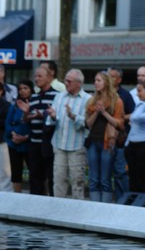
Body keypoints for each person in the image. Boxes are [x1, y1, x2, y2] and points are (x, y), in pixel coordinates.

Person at [46, 69, 91, 199]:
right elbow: (51, 121)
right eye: (65, 80)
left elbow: (88, 123)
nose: (66, 83)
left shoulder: (88, 99)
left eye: (69, 81)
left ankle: (77, 209)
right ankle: (58, 208)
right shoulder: (59, 96)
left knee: (77, 182)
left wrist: (73, 116)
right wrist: (53, 116)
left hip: (77, 147)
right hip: (59, 144)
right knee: (58, 181)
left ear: (79, 83)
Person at [85, 72, 124, 202]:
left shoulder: (116, 101)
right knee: (93, 178)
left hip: (107, 142)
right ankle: (94, 206)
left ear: (106, 83)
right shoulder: (92, 101)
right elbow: (88, 124)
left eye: (99, 80)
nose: (95, 83)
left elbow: (118, 123)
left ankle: (105, 208)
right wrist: (97, 111)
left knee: (105, 179)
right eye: (95, 80)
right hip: (93, 142)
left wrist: (104, 112)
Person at [26, 66, 58, 195]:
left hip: (49, 144)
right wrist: (25, 114)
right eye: (35, 76)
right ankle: (35, 203)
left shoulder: (57, 96)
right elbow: (27, 120)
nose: (36, 79)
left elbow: (57, 119)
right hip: (34, 143)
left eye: (39, 76)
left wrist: (42, 116)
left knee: (51, 177)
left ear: (49, 78)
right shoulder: (33, 97)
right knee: (34, 177)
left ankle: (52, 203)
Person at [107, 67, 135, 199]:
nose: (109, 79)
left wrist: (120, 116)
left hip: (120, 139)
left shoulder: (125, 95)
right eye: (108, 76)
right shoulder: (102, 94)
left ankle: (122, 201)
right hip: (104, 139)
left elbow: (133, 114)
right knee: (105, 173)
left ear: (119, 80)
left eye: (112, 76)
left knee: (120, 172)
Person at [5, 79, 33, 193]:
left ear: (31, 90)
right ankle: (17, 196)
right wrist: (13, 134)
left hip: (30, 143)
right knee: (16, 172)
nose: (22, 91)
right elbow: (8, 123)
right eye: (20, 89)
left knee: (35, 171)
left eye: (25, 88)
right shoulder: (15, 106)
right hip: (14, 144)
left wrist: (26, 137)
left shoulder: (34, 104)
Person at [0, 83, 11, 192]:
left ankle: (5, 195)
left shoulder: (6, 105)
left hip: (2, 142)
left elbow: (6, 123)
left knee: (4, 172)